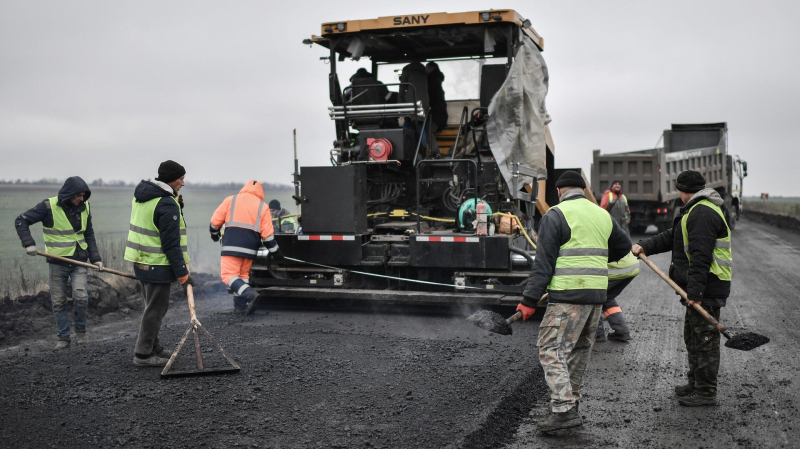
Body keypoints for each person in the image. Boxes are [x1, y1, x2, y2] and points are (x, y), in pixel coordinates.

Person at [515, 170, 632, 432]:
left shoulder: (556, 215)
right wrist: (596, 262)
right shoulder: (601, 214)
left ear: (559, 191)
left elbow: (543, 264)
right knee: (579, 350)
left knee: (550, 349)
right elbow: (624, 246)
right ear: (582, 190)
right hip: (596, 296)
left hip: (568, 296)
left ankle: (564, 409)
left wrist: (529, 300)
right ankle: (572, 404)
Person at [632, 170, 731, 407]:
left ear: (681, 190)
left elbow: (700, 257)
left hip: (707, 287)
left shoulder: (702, 213)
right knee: (693, 337)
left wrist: (695, 293)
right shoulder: (695, 210)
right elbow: (672, 236)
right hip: (701, 287)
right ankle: (695, 383)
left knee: (704, 340)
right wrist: (645, 246)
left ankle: (706, 392)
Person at [14, 177, 102, 350]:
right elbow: (21, 220)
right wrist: (28, 243)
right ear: (70, 194)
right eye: (79, 196)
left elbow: (89, 233)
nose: (82, 199)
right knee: (59, 301)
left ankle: (81, 334)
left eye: (83, 196)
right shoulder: (48, 207)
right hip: (57, 262)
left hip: (79, 260)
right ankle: (63, 338)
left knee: (81, 298)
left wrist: (96, 258)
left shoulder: (85, 206)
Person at [124, 160, 193, 367]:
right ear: (171, 179)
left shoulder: (143, 197)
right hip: (158, 265)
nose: (183, 183)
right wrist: (183, 274)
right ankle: (143, 354)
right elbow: (171, 244)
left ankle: (154, 347)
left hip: (142, 261)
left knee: (150, 307)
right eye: (180, 178)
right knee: (155, 310)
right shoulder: (165, 203)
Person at [210, 181, 283, 313]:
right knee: (242, 276)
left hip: (231, 246)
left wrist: (214, 235)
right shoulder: (263, 206)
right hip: (250, 249)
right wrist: (276, 252)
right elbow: (267, 235)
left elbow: (215, 222)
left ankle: (250, 295)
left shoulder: (231, 200)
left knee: (228, 275)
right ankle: (240, 306)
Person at [596, 251, 639, 342]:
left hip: (613, 269)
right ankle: (621, 330)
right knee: (607, 297)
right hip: (631, 266)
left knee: (591, 298)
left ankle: (596, 334)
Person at [426, 62, 448, 133]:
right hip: (439, 116)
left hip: (435, 117)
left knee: (426, 131)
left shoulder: (431, 80)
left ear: (431, 68)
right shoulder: (437, 79)